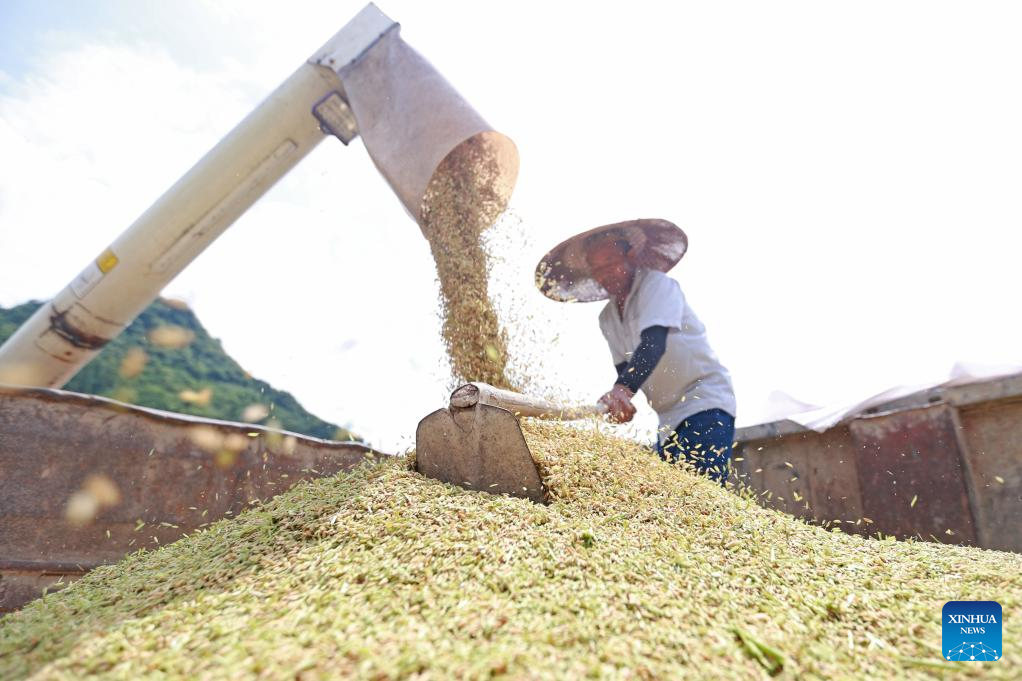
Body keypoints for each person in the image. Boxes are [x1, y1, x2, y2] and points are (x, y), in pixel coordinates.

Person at [535, 219, 737, 483]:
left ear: (629, 256)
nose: (605, 273)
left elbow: (654, 344)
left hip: (703, 400)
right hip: (666, 417)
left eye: (610, 262)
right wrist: (621, 402)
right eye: (597, 268)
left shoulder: (657, 286)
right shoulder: (607, 318)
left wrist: (622, 390)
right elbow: (625, 370)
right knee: (677, 493)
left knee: (703, 488)